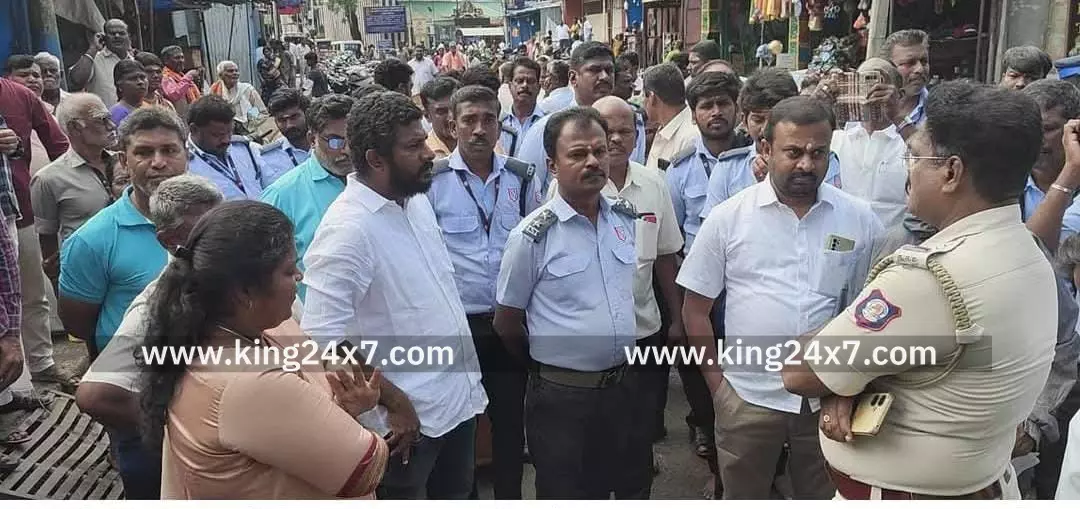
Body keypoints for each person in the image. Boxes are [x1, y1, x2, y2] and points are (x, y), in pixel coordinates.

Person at [781, 81, 1051, 501]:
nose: (907, 170)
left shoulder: (929, 278)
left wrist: (841, 381)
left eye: (914, 156)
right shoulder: (1028, 251)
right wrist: (849, 381)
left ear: (951, 173)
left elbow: (800, 372)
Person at [679, 96, 883, 499]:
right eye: (793, 152)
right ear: (766, 148)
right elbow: (695, 310)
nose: (806, 164)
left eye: (818, 153)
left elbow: (872, 308)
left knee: (825, 496)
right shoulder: (728, 218)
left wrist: (851, 387)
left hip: (828, 397)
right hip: (747, 397)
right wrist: (719, 388)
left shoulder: (860, 218)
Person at [301, 91, 487, 500]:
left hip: (456, 402)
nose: (429, 152)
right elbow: (320, 338)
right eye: (414, 146)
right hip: (405, 425)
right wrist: (393, 400)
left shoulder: (415, 201)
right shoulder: (347, 230)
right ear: (375, 159)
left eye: (423, 141)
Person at [139, 200, 389, 499]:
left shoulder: (246, 329)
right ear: (244, 291)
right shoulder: (249, 380)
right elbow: (366, 469)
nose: (300, 276)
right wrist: (352, 421)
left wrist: (343, 409)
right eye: (288, 270)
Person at [494, 107, 648, 498]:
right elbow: (507, 322)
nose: (593, 161)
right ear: (552, 165)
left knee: (630, 483)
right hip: (562, 398)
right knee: (565, 491)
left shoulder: (624, 219)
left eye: (600, 151)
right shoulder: (532, 236)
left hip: (623, 386)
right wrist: (546, 365)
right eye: (578, 154)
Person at [58, 107, 187, 497]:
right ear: (124, 161)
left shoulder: (215, 223)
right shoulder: (93, 240)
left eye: (169, 150)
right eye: (144, 152)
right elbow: (80, 325)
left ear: (186, 154)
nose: (158, 163)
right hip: (137, 405)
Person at [548, 95, 684, 455]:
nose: (617, 139)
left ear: (638, 136)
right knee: (596, 430)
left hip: (644, 328)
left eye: (626, 131)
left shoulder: (654, 183)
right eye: (608, 131)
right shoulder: (570, 186)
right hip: (591, 337)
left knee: (643, 419)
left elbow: (665, 256)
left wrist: (677, 319)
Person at [425, 85, 540, 499]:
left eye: (488, 119)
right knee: (463, 425)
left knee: (510, 423)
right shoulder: (432, 182)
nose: (479, 129)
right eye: (469, 120)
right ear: (451, 124)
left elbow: (536, 246)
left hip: (508, 324)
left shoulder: (521, 179)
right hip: (460, 326)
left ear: (499, 125)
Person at [73, 174, 220, 494]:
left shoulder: (216, 283)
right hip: (156, 462)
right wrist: (187, 433)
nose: (221, 238)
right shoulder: (158, 305)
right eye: (205, 231)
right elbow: (94, 395)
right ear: (169, 240)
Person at [663, 71, 750, 482]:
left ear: (737, 108)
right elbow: (672, 239)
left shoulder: (757, 160)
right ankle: (707, 429)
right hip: (699, 287)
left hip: (745, 287)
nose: (716, 112)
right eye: (706, 106)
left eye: (723, 104)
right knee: (700, 366)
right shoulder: (679, 170)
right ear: (694, 113)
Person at [0, 68, 70, 398]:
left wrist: (15, 145)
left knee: (29, 291)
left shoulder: (19, 95)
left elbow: (58, 145)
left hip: (17, 206)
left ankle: (40, 363)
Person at [701, 68, 840, 214]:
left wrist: (780, 183)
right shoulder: (728, 169)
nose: (765, 129)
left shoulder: (820, 161)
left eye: (775, 120)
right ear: (744, 121)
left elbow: (829, 213)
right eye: (758, 119)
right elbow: (715, 223)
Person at [518, 42, 646, 195]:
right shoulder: (546, 129)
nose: (604, 77)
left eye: (609, 70)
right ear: (573, 78)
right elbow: (525, 192)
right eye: (594, 70)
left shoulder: (631, 126)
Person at [261, 93, 354, 300]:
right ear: (312, 139)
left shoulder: (378, 180)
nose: (347, 150)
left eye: (353, 139)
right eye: (335, 141)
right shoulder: (281, 195)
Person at [32, 93, 116, 287]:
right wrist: (59, 284)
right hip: (86, 274)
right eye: (101, 120)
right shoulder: (48, 178)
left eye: (109, 118)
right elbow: (48, 241)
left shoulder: (124, 162)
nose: (111, 126)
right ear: (75, 127)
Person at [826, 58, 909, 229]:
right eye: (863, 82)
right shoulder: (836, 140)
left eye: (879, 83)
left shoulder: (908, 142)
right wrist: (818, 102)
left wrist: (896, 115)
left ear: (899, 95)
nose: (871, 91)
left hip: (894, 242)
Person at [1021, 79, 1080, 251]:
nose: (1036, 139)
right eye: (1027, 129)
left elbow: (1039, 250)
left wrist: (1072, 170)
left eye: (1047, 129)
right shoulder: (1001, 180)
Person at [185, 95, 267, 200]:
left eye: (230, 132)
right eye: (217, 135)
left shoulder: (245, 148)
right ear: (194, 129)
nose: (226, 140)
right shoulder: (184, 165)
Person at [643, 62, 698, 171]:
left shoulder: (690, 137)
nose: (642, 102)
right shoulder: (663, 127)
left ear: (652, 98)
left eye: (644, 96)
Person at [68, 19, 134, 106]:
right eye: (112, 33)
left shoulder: (134, 61)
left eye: (121, 33)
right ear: (104, 37)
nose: (117, 36)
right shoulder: (94, 59)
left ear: (128, 37)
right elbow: (76, 81)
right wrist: (93, 48)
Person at [880, 29, 929, 138]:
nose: (920, 69)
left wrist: (899, 119)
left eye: (924, 61)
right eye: (909, 63)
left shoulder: (938, 112)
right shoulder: (870, 110)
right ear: (887, 68)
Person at [260, 88, 312, 185]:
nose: (289, 125)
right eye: (282, 120)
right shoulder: (268, 159)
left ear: (307, 114)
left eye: (294, 117)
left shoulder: (325, 145)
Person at [501, 57, 545, 157]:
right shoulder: (499, 124)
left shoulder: (548, 124)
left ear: (538, 88)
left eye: (530, 81)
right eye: (519, 81)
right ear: (510, 86)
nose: (525, 85)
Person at [209, 60, 269, 132]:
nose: (235, 73)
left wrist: (248, 124)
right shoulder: (215, 91)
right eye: (230, 71)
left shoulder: (247, 89)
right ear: (221, 75)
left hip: (249, 132)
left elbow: (262, 112)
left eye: (236, 71)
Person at [421, 76, 462, 158]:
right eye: (442, 111)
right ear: (427, 116)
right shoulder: (424, 155)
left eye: (455, 108)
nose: (451, 117)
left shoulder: (479, 145)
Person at [159, 46, 201, 117]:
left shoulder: (181, 76)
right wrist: (188, 77)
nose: (181, 60)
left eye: (182, 57)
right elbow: (174, 94)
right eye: (177, 58)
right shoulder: (165, 77)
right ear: (166, 61)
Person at [108, 60, 148, 125]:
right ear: (120, 86)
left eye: (142, 77)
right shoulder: (116, 114)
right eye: (133, 78)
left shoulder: (150, 108)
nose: (140, 82)